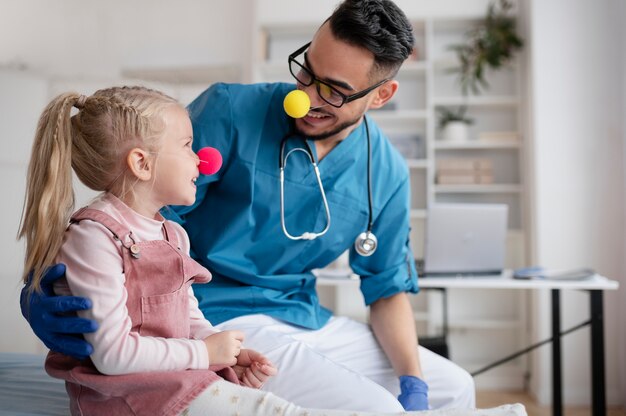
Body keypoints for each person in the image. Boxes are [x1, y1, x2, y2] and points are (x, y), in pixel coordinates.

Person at [20, 0, 475, 412]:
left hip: (303, 315)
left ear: (380, 96)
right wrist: (53, 286)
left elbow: (386, 288)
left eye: (333, 90)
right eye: (306, 71)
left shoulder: (387, 171)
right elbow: (137, 209)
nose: (307, 98)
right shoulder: (231, 111)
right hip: (217, 310)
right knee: (376, 408)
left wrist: (413, 381)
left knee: (454, 389)